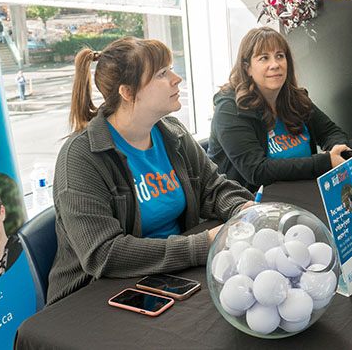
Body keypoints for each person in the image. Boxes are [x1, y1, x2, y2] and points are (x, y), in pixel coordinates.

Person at [48, 36, 253, 304]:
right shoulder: (81, 157)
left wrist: (244, 210)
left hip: (168, 279)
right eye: (162, 73)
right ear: (128, 92)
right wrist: (203, 245)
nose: (176, 78)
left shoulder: (172, 132)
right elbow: (104, 253)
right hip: (93, 298)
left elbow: (212, 189)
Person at [207, 27, 350, 190]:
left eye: (280, 56)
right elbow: (257, 171)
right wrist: (324, 162)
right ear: (248, 68)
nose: (274, 65)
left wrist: (339, 151)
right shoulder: (229, 110)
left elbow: (330, 132)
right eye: (264, 58)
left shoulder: (294, 98)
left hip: (302, 193)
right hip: (250, 204)